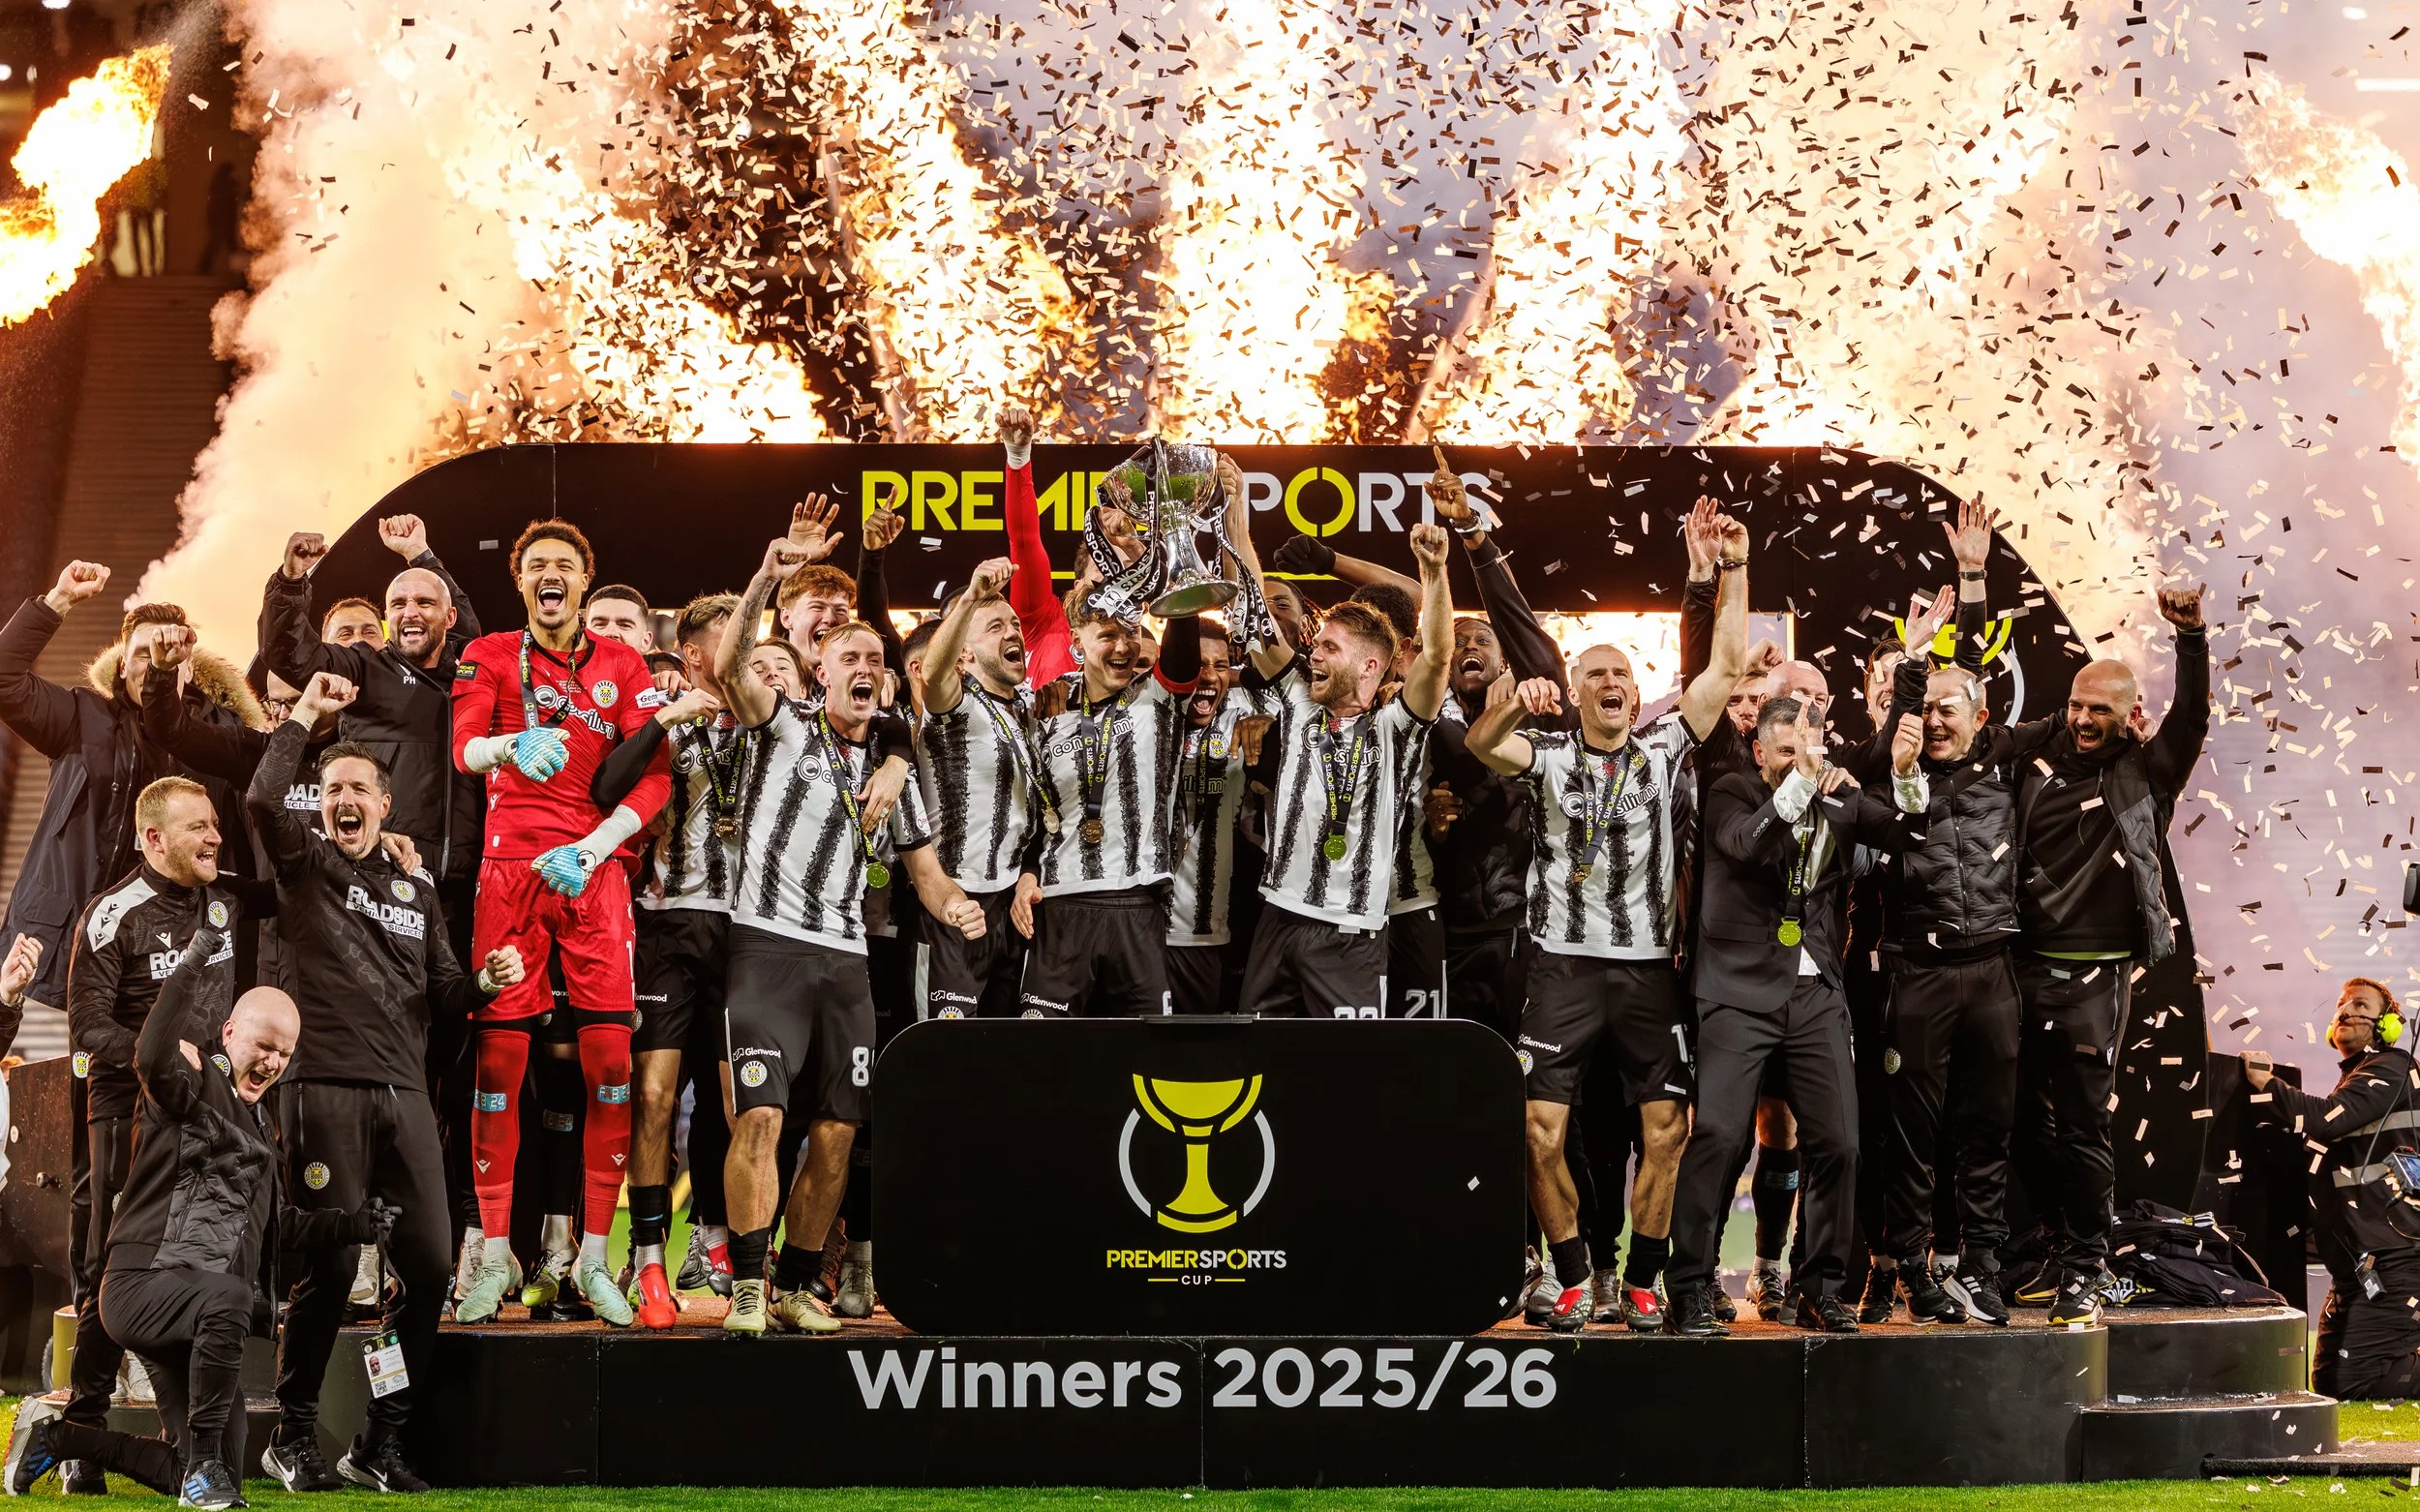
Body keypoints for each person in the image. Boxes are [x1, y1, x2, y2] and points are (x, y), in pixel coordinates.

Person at [1464, 497, 1750, 1335]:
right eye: (1595, 674)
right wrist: (1519, 699)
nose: (1613, 684)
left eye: (1623, 673)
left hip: (1645, 971)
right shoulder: (1548, 753)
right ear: (1578, 691)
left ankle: (1645, 1281)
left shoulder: (1665, 748)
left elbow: (1726, 667)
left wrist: (1732, 570)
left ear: (1637, 689)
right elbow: (1484, 745)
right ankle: (1574, 1276)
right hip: (1561, 967)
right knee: (1537, 1127)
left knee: (1668, 1129)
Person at [248, 674, 526, 1493]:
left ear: (384, 803)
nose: (344, 801)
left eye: (358, 790)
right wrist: (302, 719)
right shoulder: (302, 864)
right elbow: (266, 804)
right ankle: (292, 1434)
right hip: (321, 1086)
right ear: (320, 804)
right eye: (331, 790)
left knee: (432, 1267)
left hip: (404, 1097)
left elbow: (444, 991)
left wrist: (483, 983)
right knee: (328, 1270)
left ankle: (380, 1439)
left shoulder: (415, 886)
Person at [4, 928, 392, 1509]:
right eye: (264, 1045)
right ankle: (205, 1468)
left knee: (211, 1467)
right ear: (230, 1032)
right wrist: (192, 962)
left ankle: (58, 1438)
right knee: (229, 1300)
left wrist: (355, 1226)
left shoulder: (263, 1126)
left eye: (284, 1054)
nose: (273, 1062)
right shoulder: (191, 1080)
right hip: (141, 1286)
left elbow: (277, 1225)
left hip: (192, 1309)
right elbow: (148, 1054)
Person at [711, 523, 983, 1335]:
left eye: (875, 661)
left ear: (887, 686)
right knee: (760, 1118)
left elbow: (927, 875)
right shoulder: (783, 727)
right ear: (817, 672)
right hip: (765, 949)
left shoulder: (899, 773)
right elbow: (729, 667)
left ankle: (799, 1284)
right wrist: (766, 571)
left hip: (846, 963)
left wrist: (957, 906)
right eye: (848, 659)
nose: (863, 669)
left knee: (836, 1134)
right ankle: (750, 1284)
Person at [448, 519, 671, 1326]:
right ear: (522, 584)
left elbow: (654, 779)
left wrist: (601, 842)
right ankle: (496, 1254)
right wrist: (509, 747)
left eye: (565, 566)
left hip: (594, 876)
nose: (551, 575)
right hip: (510, 877)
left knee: (611, 1062)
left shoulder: (624, 664)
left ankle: (595, 1259)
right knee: (499, 1070)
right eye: (537, 565)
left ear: (584, 581)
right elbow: (463, 748)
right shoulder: (492, 653)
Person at [1662, 695, 1929, 1335]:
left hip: (1815, 996)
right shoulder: (1729, 788)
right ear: (1760, 752)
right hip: (1735, 991)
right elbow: (1746, 846)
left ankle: (1819, 1287)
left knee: (1839, 1142)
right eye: (1786, 752)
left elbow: (1906, 834)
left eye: (1809, 750)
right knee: (1722, 1138)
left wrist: (1905, 776)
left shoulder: (1837, 795)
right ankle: (1691, 1289)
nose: (1799, 761)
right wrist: (1803, 783)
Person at [59, 777, 270, 1489]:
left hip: (205, 1117)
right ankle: (78, 1439)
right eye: (198, 829)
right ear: (153, 838)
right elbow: (85, 1034)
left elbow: (301, 878)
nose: (215, 838)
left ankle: (183, 1431)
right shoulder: (112, 914)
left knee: (198, 1263)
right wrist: (159, 1052)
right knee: (102, 1272)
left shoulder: (223, 896)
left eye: (216, 824)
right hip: (126, 1116)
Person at [2009, 582, 2208, 1326]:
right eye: (2078, 705)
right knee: (2016, 1115)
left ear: (2129, 716)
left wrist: (2191, 639)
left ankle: (2089, 1264)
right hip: (2018, 964)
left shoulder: (2148, 773)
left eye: (2101, 709)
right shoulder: (2035, 758)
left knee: (2085, 1121)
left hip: (2095, 975)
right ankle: (2057, 1241)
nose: (2085, 719)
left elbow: (2191, 719)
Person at [0, 562, 261, 1036]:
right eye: (142, 654)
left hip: (180, 947)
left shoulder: (223, 734)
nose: (153, 662)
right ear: (121, 664)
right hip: (89, 937)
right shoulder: (81, 716)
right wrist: (56, 601)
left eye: (167, 652)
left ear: (188, 664)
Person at [1225, 492, 1452, 1017]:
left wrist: (1435, 571)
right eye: (1317, 644)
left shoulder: (1397, 728)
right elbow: (1252, 609)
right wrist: (1236, 511)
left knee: (1347, 1082)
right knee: (1262, 1073)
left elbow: (1438, 655)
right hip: (1277, 917)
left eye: (1330, 647)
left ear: (1372, 666)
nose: (1313, 653)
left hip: (1351, 933)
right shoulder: (1301, 704)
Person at [590, 595, 738, 1320]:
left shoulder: (770, 719)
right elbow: (605, 788)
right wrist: (659, 721)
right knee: (650, 1095)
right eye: (716, 646)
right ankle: (647, 1261)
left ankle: (725, 1257)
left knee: (732, 1102)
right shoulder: (659, 710)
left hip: (747, 930)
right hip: (663, 924)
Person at [1012, 552, 1202, 1018]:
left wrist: (1175, 551)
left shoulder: (1157, 700)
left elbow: (1182, 649)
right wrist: (1028, 875)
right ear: (1077, 641)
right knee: (1043, 1057)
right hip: (1058, 908)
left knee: (1141, 1060)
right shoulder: (1046, 718)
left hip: (1137, 905)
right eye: (1107, 634)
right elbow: (1037, 817)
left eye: (1131, 632)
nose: (1122, 646)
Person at [2245, 981, 2420, 1399]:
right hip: (2359, 1264)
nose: (2345, 1010)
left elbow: (2325, 1120)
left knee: (2355, 1384)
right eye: (2341, 1004)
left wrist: (2267, 1085)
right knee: (2328, 1384)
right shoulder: (2357, 1079)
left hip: (2395, 1257)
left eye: (2361, 1004)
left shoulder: (2393, 1067)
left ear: (2389, 1024)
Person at [914, 558, 1043, 1018]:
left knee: (999, 1055)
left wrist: (1030, 871)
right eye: (995, 627)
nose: (1013, 632)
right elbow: (932, 676)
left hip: (1009, 904)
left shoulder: (1027, 712)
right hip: (951, 905)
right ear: (964, 655)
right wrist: (970, 598)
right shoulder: (955, 704)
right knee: (945, 1060)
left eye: (1014, 623)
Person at [1165, 621, 1255, 1014]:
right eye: (1197, 664)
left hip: (1203, 934)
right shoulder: (1145, 714)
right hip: (1135, 928)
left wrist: (1269, 725)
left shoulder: (1243, 720)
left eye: (1220, 666)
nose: (1209, 675)